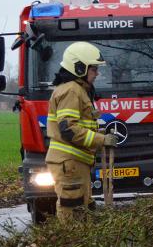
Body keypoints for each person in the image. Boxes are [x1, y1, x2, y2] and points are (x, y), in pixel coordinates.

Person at [46, 42, 118, 220]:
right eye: (94, 69)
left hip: (75, 163)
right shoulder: (71, 91)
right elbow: (69, 129)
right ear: (79, 68)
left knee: (82, 209)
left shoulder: (77, 90)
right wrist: (102, 140)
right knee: (72, 213)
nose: (97, 73)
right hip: (70, 163)